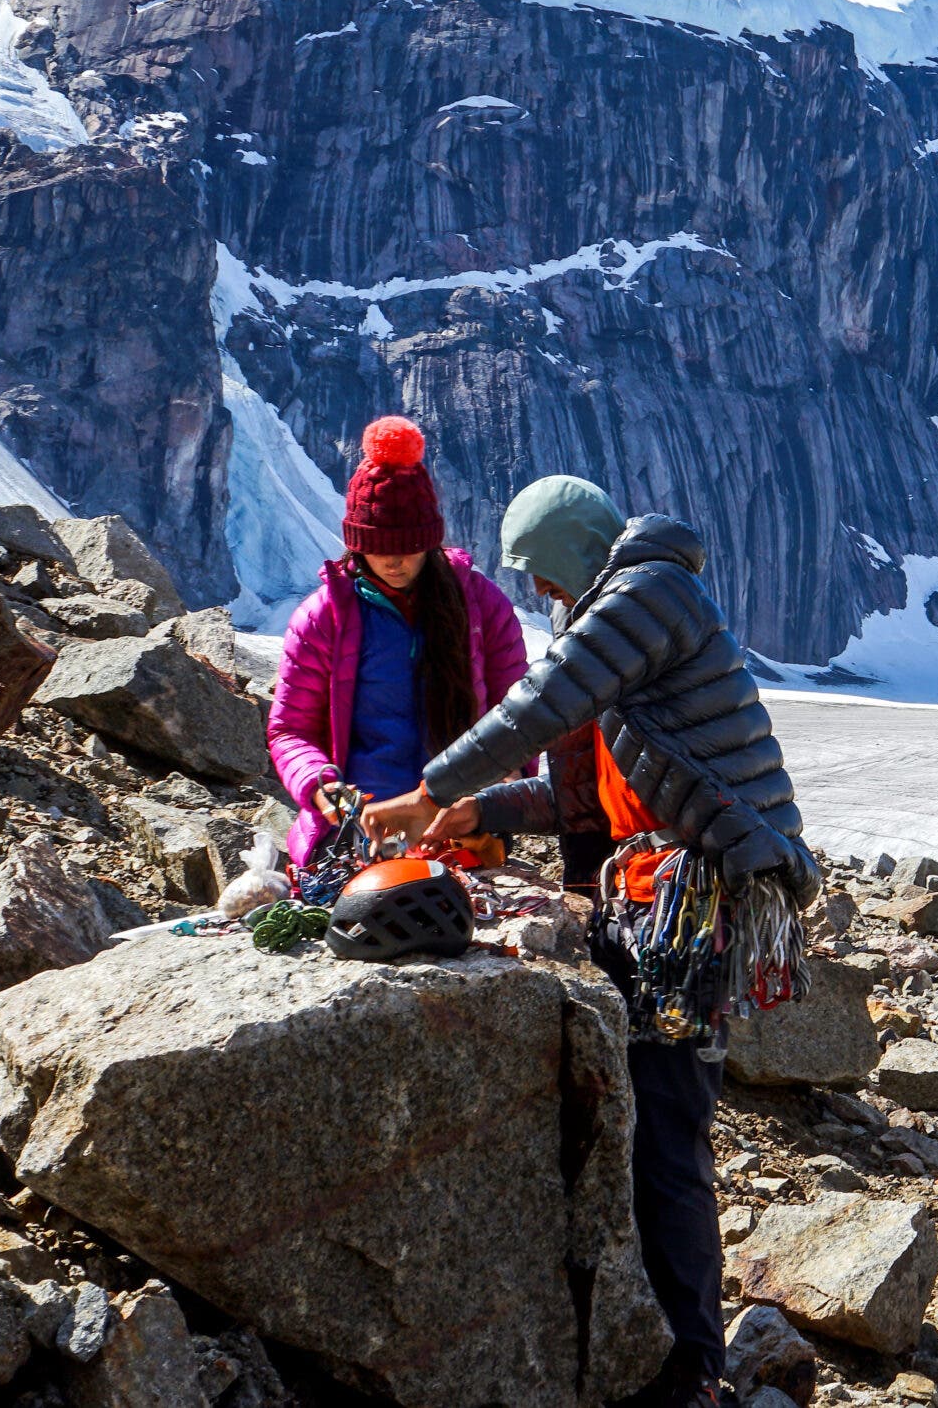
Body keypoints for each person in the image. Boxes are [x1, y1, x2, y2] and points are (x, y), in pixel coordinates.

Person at [363, 476, 817, 1408]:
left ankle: (691, 1368)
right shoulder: (628, 637)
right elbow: (593, 805)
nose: (541, 597)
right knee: (641, 1122)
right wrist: (475, 808)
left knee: (666, 1131)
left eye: (540, 575)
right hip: (646, 909)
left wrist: (428, 785)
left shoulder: (649, 594)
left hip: (686, 914)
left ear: (573, 552)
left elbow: (541, 703)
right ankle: (645, 1343)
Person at [265, 416, 527, 870]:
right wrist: (318, 782)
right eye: (378, 545)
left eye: (407, 546)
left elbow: (521, 711)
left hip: (460, 827)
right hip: (358, 831)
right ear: (356, 543)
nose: (393, 560)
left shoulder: (481, 606)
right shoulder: (322, 617)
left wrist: (511, 776)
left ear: (429, 541)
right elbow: (291, 729)